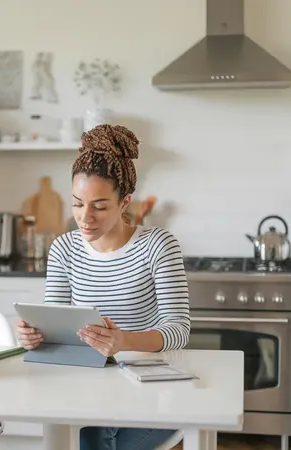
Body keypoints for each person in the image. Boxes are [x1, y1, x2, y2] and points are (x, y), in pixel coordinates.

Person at [16, 124, 190, 450]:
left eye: (99, 206)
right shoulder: (64, 249)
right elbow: (55, 325)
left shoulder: (158, 245)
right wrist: (35, 337)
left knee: (92, 434)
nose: (85, 217)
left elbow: (179, 329)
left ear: (124, 203)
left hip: (152, 387)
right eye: (77, 203)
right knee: (85, 428)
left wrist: (123, 341)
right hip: (90, 387)